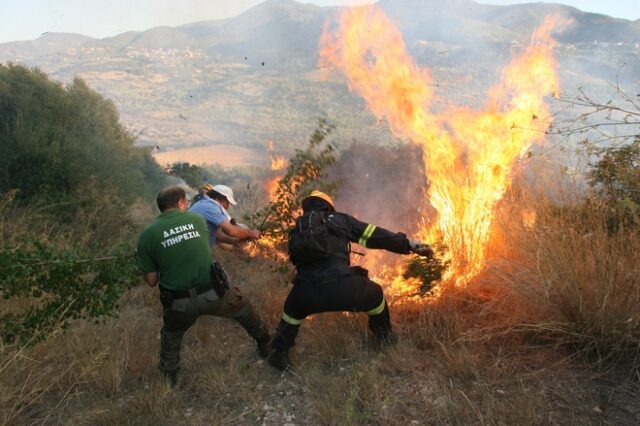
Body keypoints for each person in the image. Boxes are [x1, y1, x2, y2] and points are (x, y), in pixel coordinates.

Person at [266, 190, 433, 371]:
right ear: (329, 206)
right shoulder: (340, 220)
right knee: (376, 295)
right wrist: (408, 244)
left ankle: (279, 354)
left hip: (306, 293)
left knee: (291, 312)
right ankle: (383, 338)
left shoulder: (298, 229)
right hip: (342, 289)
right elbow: (375, 235)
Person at [136, 186, 270, 386]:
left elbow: (151, 281)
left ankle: (169, 378)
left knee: (171, 335)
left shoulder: (147, 236)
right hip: (212, 294)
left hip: (178, 303)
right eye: (185, 202)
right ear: (181, 203)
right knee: (243, 307)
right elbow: (218, 236)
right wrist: (243, 237)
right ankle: (265, 343)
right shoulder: (197, 221)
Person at [189, 184, 261, 251]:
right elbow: (231, 231)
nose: (227, 207)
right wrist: (251, 233)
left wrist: (233, 241)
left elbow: (216, 234)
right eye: (227, 203)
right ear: (219, 199)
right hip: (193, 249)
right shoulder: (212, 207)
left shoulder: (204, 203)